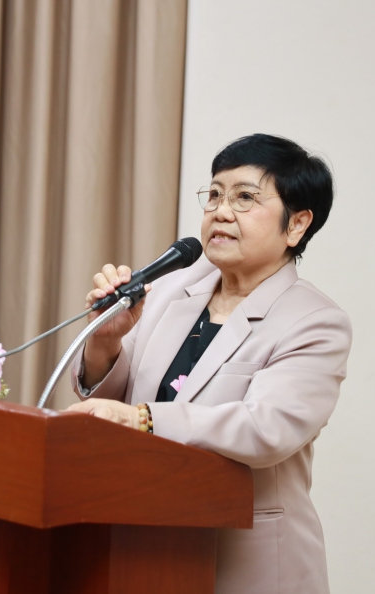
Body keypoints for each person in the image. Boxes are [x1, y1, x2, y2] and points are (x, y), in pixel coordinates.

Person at [65, 134, 352, 594]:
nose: (220, 211)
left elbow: (267, 429)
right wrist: (105, 342)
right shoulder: (172, 288)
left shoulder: (315, 321)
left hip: (242, 560)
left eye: (245, 198)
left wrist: (144, 419)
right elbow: (115, 402)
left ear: (296, 224)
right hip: (142, 543)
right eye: (215, 195)